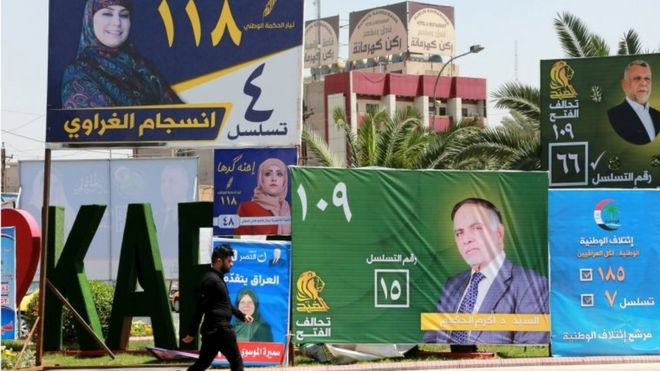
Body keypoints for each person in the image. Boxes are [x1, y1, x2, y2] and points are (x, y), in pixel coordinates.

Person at [423, 198, 549, 344]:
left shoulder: (531, 285)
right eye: (459, 233)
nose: (466, 239)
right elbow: (430, 344)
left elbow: (529, 353)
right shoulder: (452, 285)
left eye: (477, 228)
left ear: (499, 234)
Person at [61, 0, 182, 108]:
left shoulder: (144, 68)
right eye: (107, 14)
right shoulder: (79, 74)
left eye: (124, 15)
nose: (117, 22)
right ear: (90, 18)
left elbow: (180, 116)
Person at [182, 245, 253, 371]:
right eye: (229, 261)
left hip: (213, 331)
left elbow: (226, 304)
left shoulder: (217, 279)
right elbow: (200, 307)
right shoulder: (210, 280)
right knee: (236, 361)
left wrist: (242, 315)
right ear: (219, 261)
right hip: (221, 329)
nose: (231, 264)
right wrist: (192, 332)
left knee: (202, 364)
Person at [607, 60, 660, 145]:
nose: (643, 83)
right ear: (624, 85)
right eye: (637, 78)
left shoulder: (658, 116)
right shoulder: (614, 116)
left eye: (647, 79)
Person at [234, 158, 291, 236]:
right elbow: (240, 242)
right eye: (268, 174)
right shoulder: (247, 208)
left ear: (284, 180)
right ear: (261, 179)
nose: (274, 178)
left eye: (279, 174)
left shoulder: (289, 210)